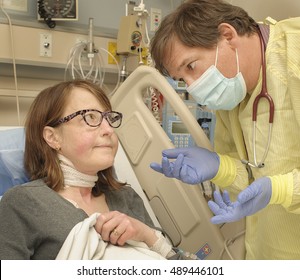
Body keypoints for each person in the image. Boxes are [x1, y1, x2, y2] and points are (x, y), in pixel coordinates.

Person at [149, 0, 300, 259]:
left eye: (191, 67)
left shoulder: (294, 54)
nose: (193, 87)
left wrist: (281, 190)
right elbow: (255, 182)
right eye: (183, 80)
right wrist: (221, 168)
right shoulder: (232, 92)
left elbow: (271, 187)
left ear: (228, 35)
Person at [0, 80, 186, 260]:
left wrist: (146, 234)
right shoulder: (22, 203)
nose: (109, 130)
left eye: (109, 118)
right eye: (90, 117)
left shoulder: (125, 196)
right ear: (53, 137)